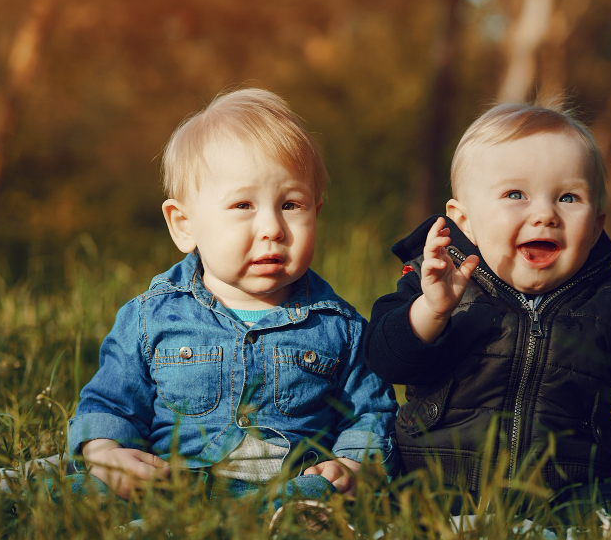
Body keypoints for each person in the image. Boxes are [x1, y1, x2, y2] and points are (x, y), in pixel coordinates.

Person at [364, 101, 611, 517]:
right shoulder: (436, 282)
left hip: (569, 490)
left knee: (590, 527)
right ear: (465, 219)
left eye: (568, 197)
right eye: (515, 194)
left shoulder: (606, 301)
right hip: (443, 486)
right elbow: (386, 360)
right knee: (422, 526)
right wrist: (430, 311)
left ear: (598, 223)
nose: (545, 214)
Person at [69, 88, 397, 506]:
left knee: (320, 496)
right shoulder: (152, 317)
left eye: (291, 204)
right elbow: (110, 403)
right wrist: (106, 453)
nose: (273, 228)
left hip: (288, 492)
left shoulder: (339, 327)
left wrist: (354, 465)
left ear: (317, 212)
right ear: (184, 225)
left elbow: (370, 412)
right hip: (170, 487)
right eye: (243, 204)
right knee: (73, 491)